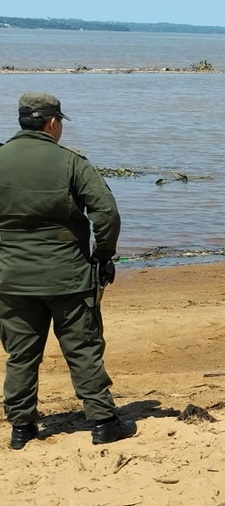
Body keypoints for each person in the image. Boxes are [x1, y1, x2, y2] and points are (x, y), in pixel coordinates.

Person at [0, 93, 137, 450]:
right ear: (52, 123)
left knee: (21, 354)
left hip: (11, 278)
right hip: (68, 277)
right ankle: (104, 423)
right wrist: (103, 255)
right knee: (83, 348)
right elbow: (106, 214)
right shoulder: (71, 162)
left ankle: (21, 428)